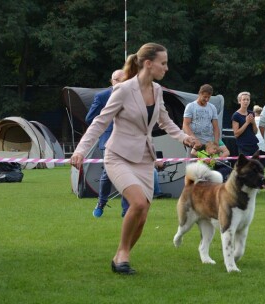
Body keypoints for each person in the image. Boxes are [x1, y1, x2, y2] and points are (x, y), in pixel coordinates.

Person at [70, 42, 199, 275]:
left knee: (142, 215)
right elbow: (100, 122)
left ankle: (121, 255)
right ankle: (122, 255)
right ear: (148, 64)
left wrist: (184, 138)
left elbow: (165, 121)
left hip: (144, 159)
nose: (166, 68)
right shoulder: (123, 90)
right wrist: (80, 150)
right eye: (163, 63)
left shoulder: (158, 90)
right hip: (118, 156)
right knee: (137, 203)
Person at [85, 69, 130, 218]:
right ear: (112, 81)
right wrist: (105, 123)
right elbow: (90, 118)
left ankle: (126, 210)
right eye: (117, 79)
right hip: (108, 140)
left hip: (128, 140)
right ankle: (101, 202)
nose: (120, 82)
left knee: (127, 174)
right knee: (108, 174)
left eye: (123, 79)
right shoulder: (102, 96)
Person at [232, 92, 265, 169]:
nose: (246, 101)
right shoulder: (236, 115)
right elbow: (236, 134)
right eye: (244, 99)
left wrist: (253, 122)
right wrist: (247, 123)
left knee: (257, 167)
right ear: (239, 101)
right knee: (246, 168)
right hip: (243, 146)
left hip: (253, 145)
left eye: (248, 100)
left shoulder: (251, 113)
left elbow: (255, 132)